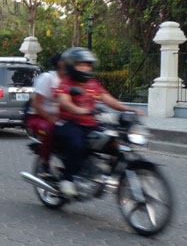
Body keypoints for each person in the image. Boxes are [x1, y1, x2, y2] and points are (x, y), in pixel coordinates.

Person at [55, 47, 144, 197]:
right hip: (69, 122)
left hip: (90, 123)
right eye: (81, 64)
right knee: (77, 145)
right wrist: (77, 110)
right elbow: (64, 101)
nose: (85, 68)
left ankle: (104, 173)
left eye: (87, 65)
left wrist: (129, 109)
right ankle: (67, 179)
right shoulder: (66, 84)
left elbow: (108, 99)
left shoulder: (93, 84)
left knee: (114, 140)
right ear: (71, 66)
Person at [25, 53, 65, 175]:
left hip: (60, 116)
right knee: (49, 129)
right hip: (38, 116)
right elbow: (36, 104)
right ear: (60, 63)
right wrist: (50, 117)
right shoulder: (47, 78)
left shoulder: (70, 81)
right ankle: (45, 163)